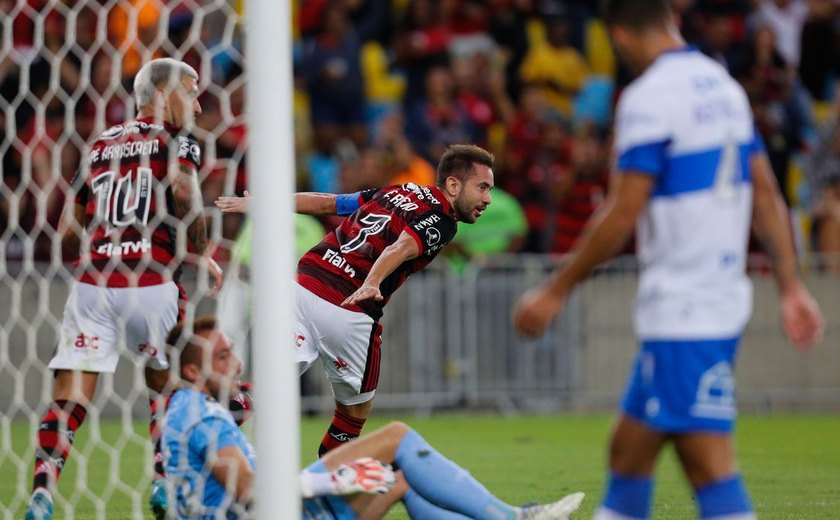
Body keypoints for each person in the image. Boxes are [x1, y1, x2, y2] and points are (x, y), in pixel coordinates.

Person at [512, 1, 825, 519]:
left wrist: (554, 289)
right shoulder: (721, 84)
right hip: (710, 299)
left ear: (618, 37)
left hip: (687, 310)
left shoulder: (648, 97)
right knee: (627, 455)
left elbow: (622, 210)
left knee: (709, 466)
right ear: (670, 19)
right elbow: (766, 191)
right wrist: (791, 286)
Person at [25, 57, 224, 520]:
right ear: (161, 94)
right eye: (190, 92)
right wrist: (201, 251)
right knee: (166, 389)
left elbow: (67, 228)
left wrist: (101, 249)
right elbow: (181, 192)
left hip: (94, 282)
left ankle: (42, 492)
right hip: (152, 281)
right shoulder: (176, 141)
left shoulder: (99, 144)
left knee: (70, 394)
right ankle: (161, 482)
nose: (196, 104)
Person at [217, 144, 495, 457]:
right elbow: (401, 248)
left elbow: (328, 203)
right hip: (348, 305)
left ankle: (209, 424)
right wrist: (372, 282)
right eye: (482, 188)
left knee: (268, 388)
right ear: (454, 185)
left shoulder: (397, 190)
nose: (487, 199)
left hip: (304, 286)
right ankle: (329, 484)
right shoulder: (443, 220)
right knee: (353, 413)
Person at [161, 315, 585, 519]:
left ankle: (504, 515)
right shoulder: (205, 419)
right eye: (222, 356)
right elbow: (253, 492)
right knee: (396, 437)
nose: (236, 362)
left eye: (232, 350)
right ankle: (513, 518)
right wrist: (330, 481)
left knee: (401, 478)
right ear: (193, 371)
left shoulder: (182, 411)